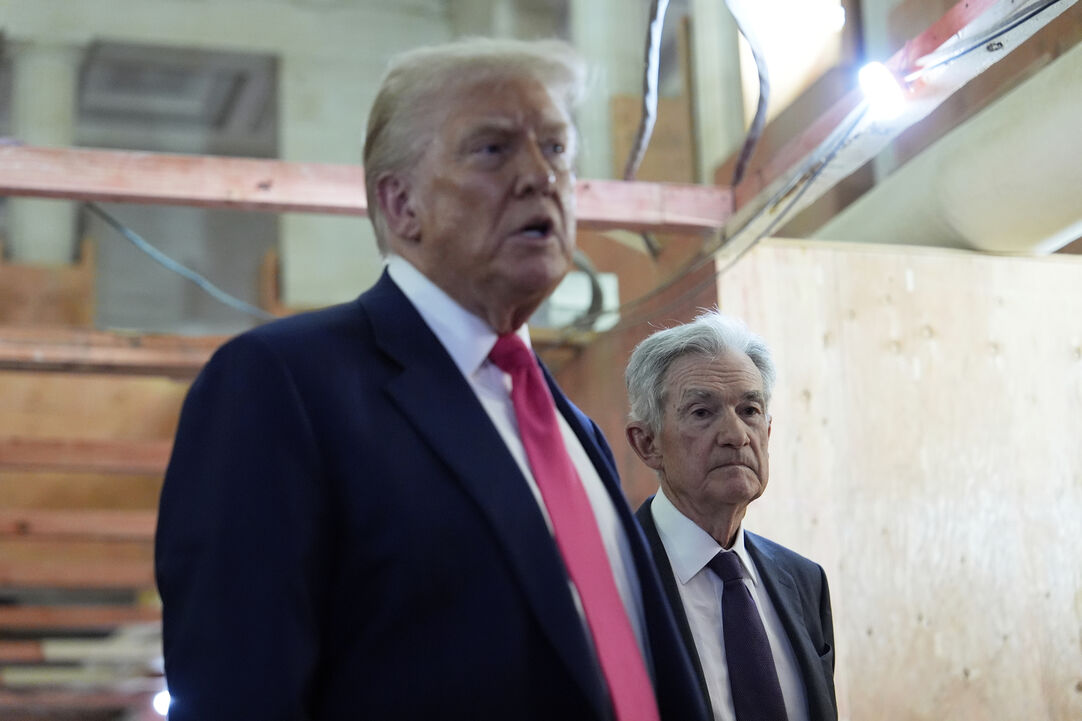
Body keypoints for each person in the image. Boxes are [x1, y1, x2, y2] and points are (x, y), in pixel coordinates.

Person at [155, 38, 708, 721]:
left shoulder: (578, 432)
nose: (540, 176)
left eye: (556, 148)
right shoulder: (280, 388)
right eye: (492, 149)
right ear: (401, 204)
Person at [624, 310, 837, 721]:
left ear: (768, 433)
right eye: (702, 413)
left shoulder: (804, 580)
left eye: (750, 410)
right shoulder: (609, 577)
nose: (736, 436)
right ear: (647, 443)